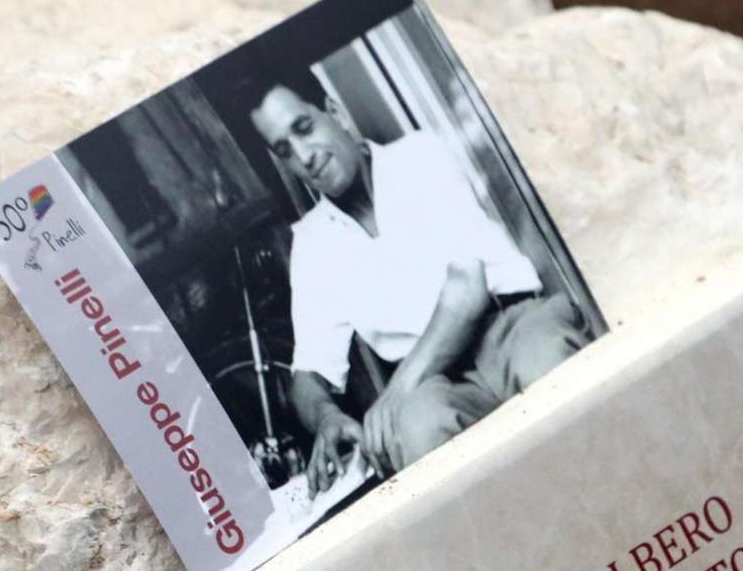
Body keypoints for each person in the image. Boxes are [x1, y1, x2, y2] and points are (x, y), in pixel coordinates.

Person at [249, 74, 589, 495]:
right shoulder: (312, 244)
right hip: (438, 387)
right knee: (418, 429)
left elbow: (467, 291)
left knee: (546, 359)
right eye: (285, 150)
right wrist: (325, 416)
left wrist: (397, 390)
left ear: (334, 112)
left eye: (304, 128)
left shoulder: (419, 156)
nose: (305, 156)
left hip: (509, 329)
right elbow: (308, 373)